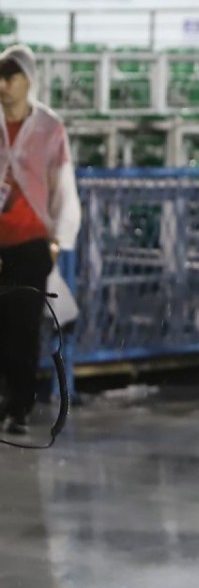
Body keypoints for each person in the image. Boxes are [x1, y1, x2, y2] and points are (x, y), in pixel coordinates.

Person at [0, 44, 80, 435]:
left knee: (24, 326)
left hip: (30, 241)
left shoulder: (49, 128)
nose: (2, 85)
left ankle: (19, 407)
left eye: (10, 77)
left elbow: (63, 187)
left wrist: (57, 240)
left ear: (28, 80)